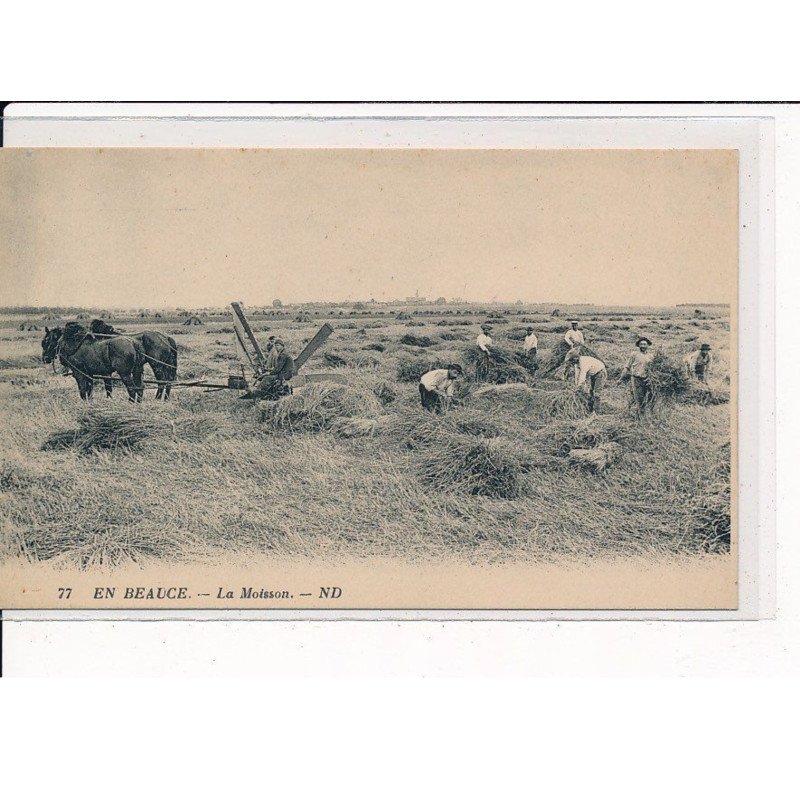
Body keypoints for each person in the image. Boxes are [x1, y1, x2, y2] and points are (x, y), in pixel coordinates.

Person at [565, 347, 607, 412]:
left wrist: (579, 387)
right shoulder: (577, 364)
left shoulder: (583, 362)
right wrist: (576, 386)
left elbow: (582, 377)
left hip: (600, 372)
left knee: (596, 393)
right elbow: (577, 376)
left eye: (571, 361)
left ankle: (597, 411)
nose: (571, 363)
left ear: (576, 358)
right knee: (591, 391)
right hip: (593, 373)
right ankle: (590, 409)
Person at [621, 336, 655, 413]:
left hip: (647, 379)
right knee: (639, 398)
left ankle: (632, 410)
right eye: (641, 344)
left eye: (644, 344)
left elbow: (653, 369)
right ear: (638, 345)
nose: (643, 346)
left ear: (648, 345)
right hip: (637, 379)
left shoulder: (651, 356)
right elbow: (627, 366)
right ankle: (639, 415)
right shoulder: (634, 354)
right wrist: (621, 378)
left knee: (649, 396)